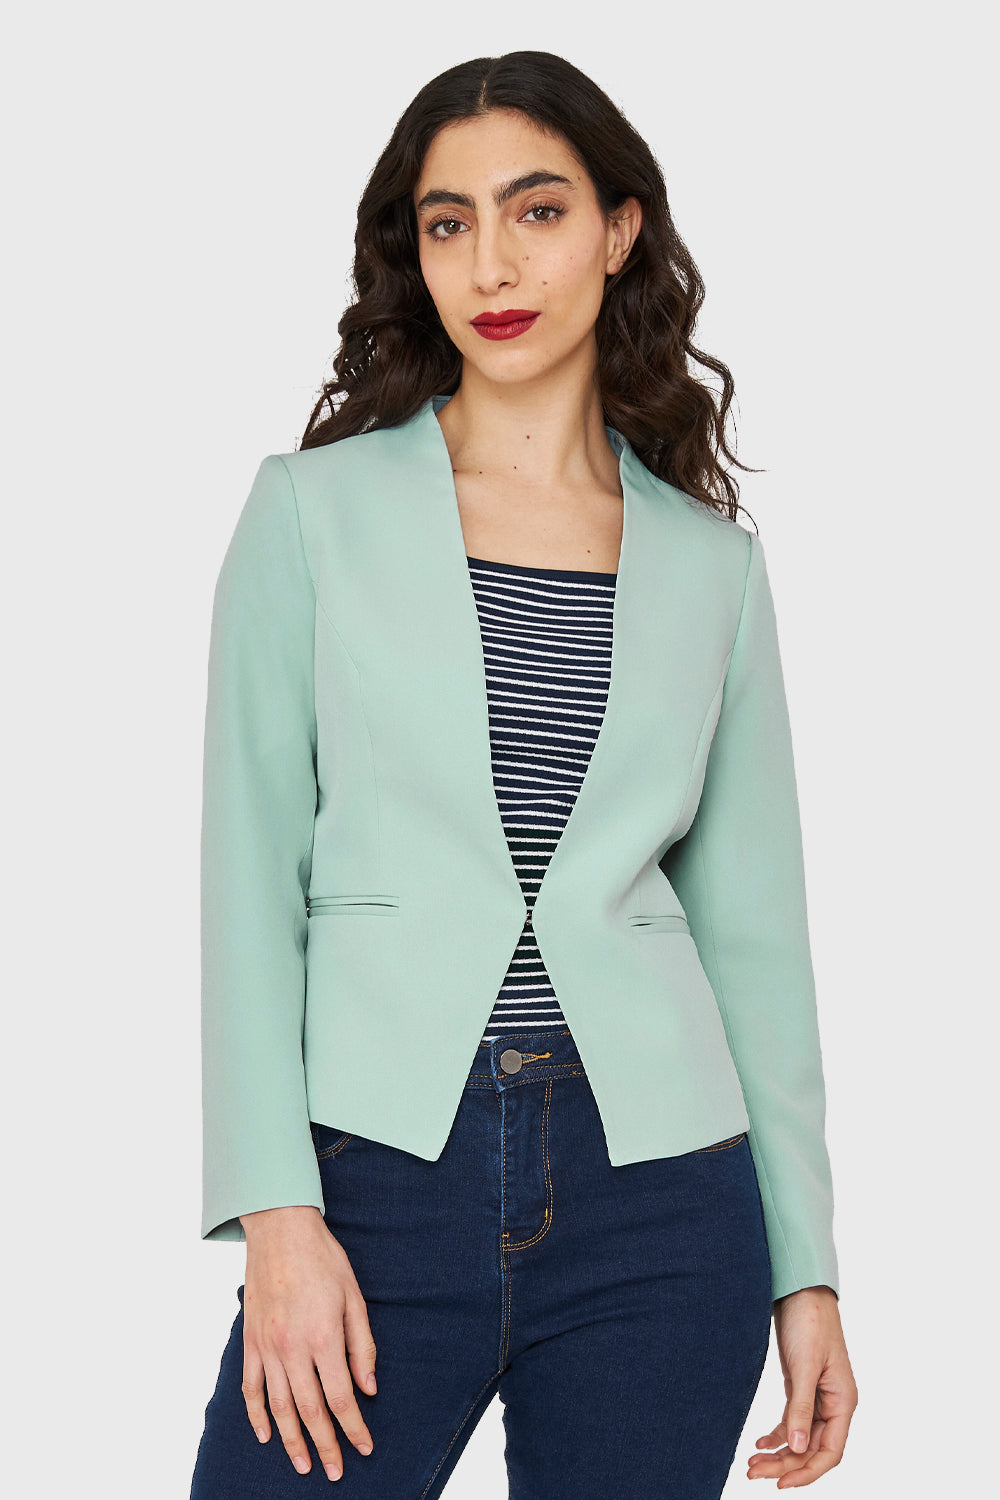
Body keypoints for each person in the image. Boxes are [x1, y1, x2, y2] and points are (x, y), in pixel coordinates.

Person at [189, 50, 858, 1498]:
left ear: (619, 231)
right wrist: (277, 1216)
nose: (491, 263)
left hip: (660, 1202)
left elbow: (756, 942)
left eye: (538, 211)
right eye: (449, 223)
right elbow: (248, 881)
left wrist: (806, 1271)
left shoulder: (715, 569)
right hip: (375, 1176)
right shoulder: (310, 514)